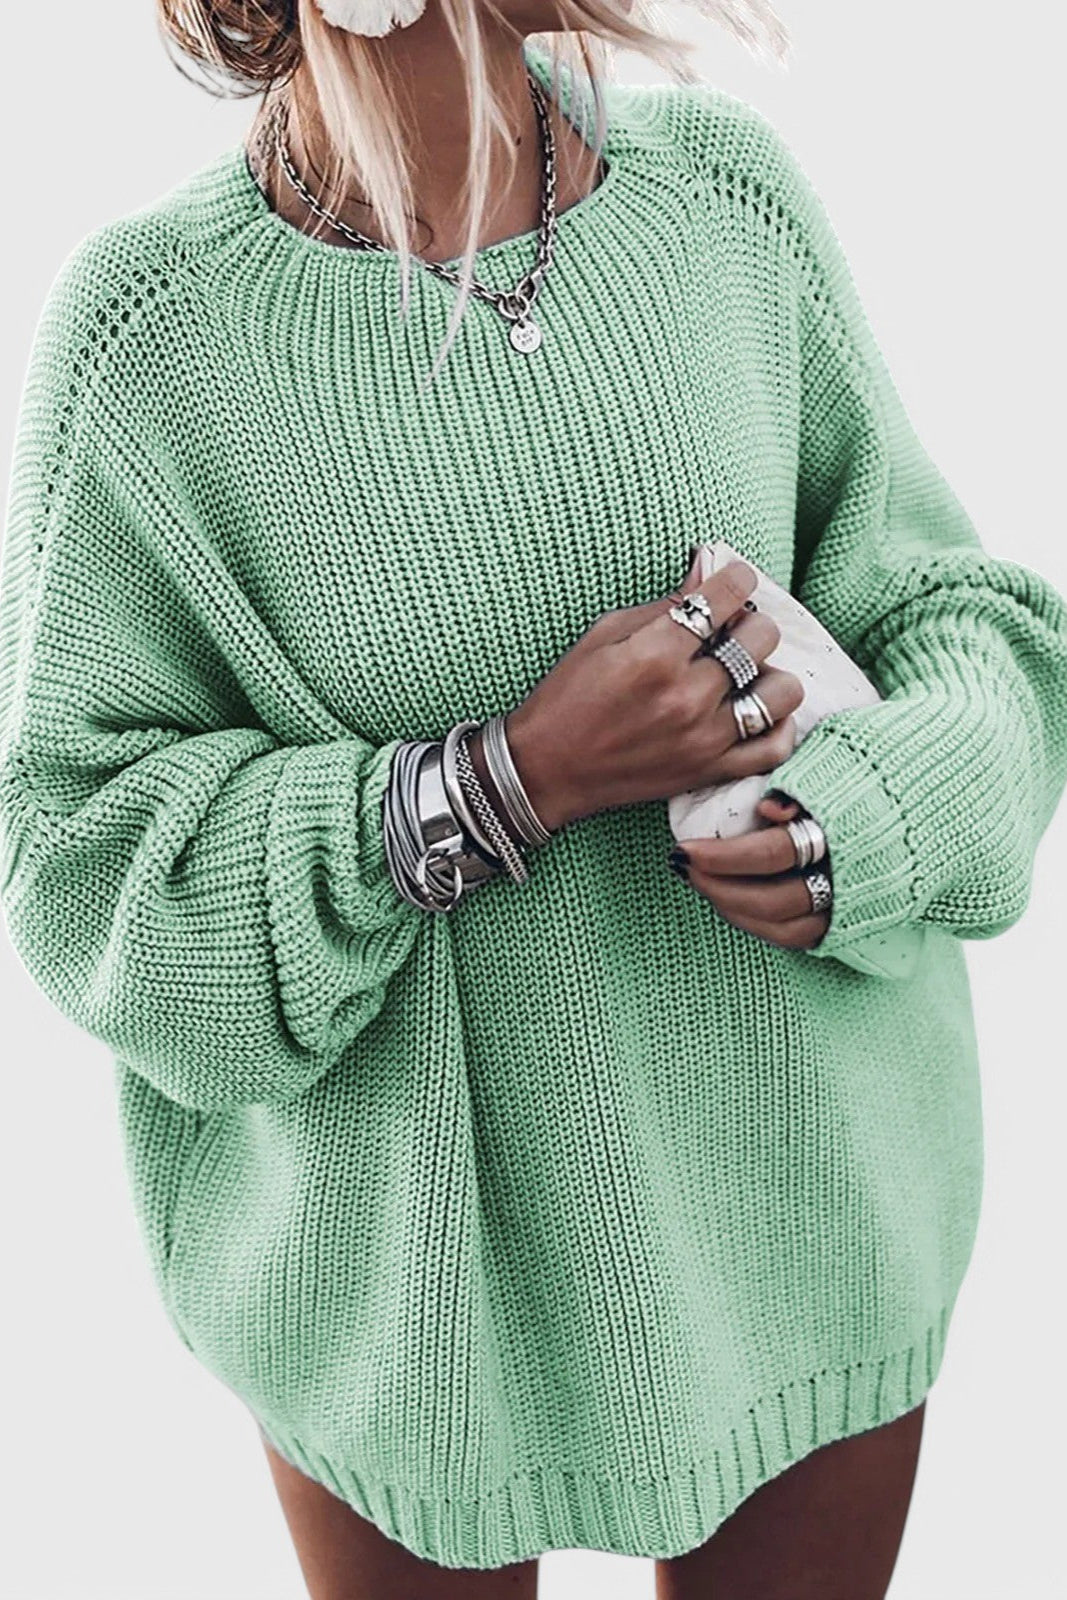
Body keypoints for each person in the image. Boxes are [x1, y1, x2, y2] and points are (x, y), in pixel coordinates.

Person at [2, 2, 1065, 1597]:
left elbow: (964, 627)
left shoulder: (724, 200)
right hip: (411, 1324)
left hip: (816, 1221)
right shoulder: (151, 343)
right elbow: (80, 872)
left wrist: (872, 819)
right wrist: (504, 781)